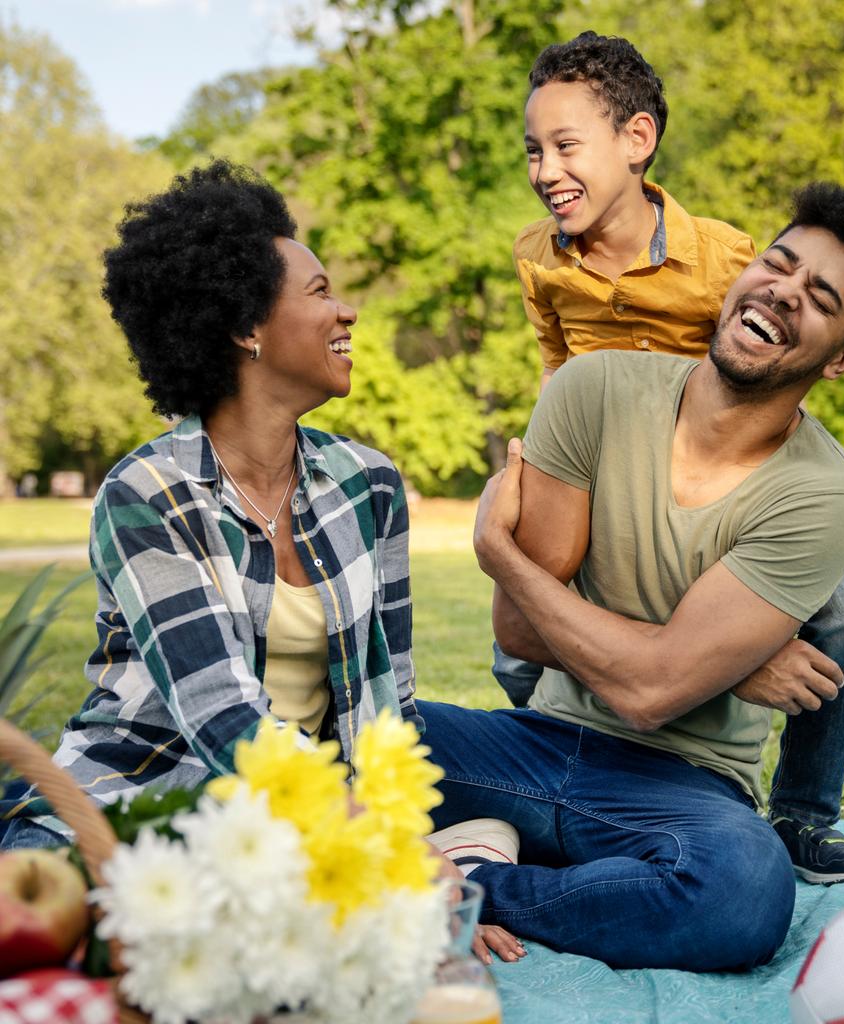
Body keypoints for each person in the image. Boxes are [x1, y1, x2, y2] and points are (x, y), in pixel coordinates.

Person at [0, 161, 498, 959]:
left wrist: (407, 865)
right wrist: (384, 854)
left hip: (287, 828)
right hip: (136, 810)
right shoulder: (147, 492)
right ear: (246, 328)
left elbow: (390, 709)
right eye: (321, 291)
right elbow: (221, 715)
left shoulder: (369, 484)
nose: (348, 310)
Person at [423, 183, 844, 970]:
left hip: (683, 788)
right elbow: (517, 630)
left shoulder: (824, 496)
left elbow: (648, 695)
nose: (783, 292)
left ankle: (470, 881)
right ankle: (525, 862)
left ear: (841, 358)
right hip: (535, 744)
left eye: (821, 298)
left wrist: (503, 557)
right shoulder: (592, 390)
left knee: (744, 888)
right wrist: (716, 663)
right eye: (778, 264)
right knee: (323, 742)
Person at [497, 31, 844, 884]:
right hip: (602, 470)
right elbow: (556, 360)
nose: (546, 169)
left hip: (705, 476)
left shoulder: (726, 256)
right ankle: (573, 768)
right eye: (533, 150)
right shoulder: (537, 256)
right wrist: (540, 464)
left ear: (637, 140)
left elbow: (767, 373)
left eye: (566, 146)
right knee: (515, 643)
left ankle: (804, 814)